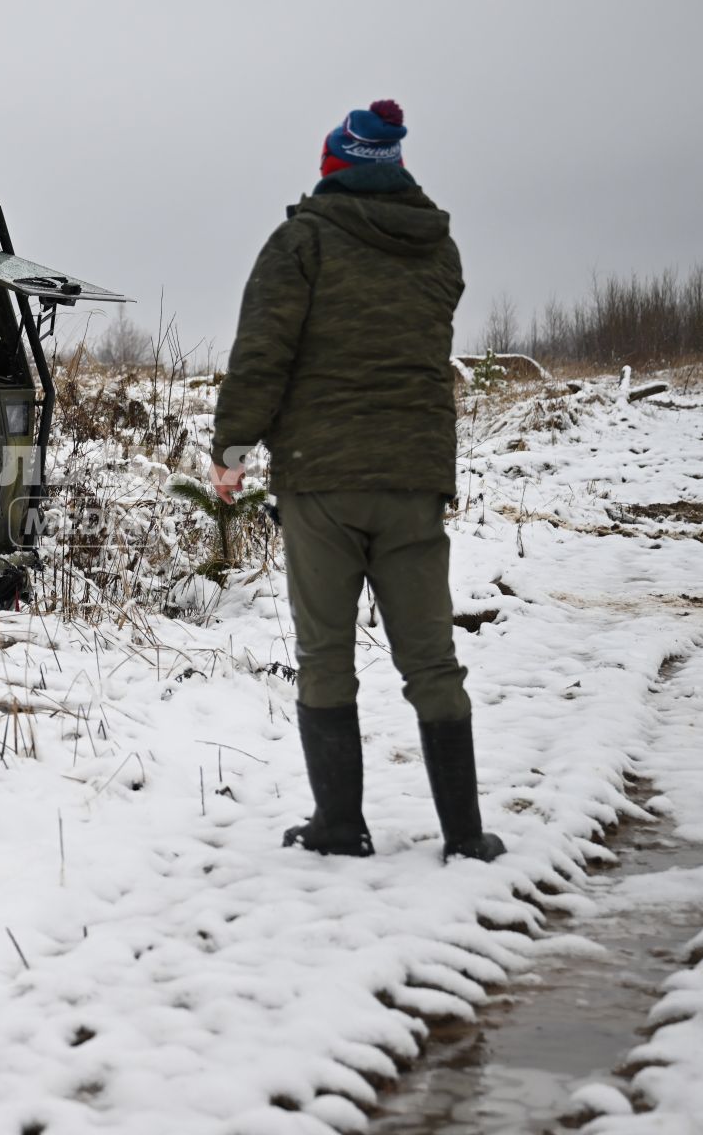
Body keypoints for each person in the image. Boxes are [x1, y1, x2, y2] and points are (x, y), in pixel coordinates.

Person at [208, 100, 504, 863]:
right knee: (431, 659)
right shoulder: (440, 251)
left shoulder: (300, 242)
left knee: (325, 654)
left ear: (333, 168)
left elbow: (263, 352)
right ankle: (467, 836)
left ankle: (341, 826)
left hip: (323, 476)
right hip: (413, 475)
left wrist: (233, 449)